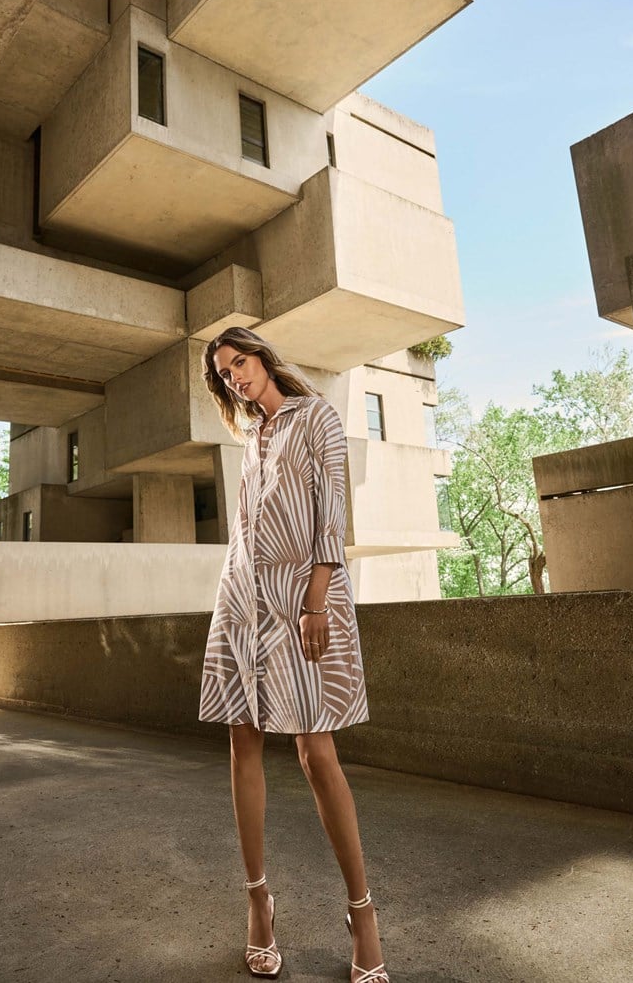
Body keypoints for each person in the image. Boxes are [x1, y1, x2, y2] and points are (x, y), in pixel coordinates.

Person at [199, 326, 389, 983]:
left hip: (302, 598)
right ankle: (259, 902)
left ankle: (362, 912)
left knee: (316, 751)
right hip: (241, 601)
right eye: (224, 373)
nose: (235, 377)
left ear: (262, 357)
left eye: (239, 362)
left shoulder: (317, 417)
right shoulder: (248, 437)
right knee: (242, 740)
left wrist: (314, 602)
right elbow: (247, 530)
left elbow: (331, 515)